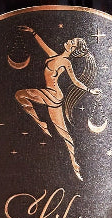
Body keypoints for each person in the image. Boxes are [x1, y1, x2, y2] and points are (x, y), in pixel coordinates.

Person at [14, 25, 92, 180]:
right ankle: (41, 124)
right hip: (50, 94)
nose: (69, 41)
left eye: (72, 42)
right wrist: (34, 32)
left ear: (74, 49)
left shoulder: (66, 62)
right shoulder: (55, 56)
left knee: (63, 133)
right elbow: (43, 45)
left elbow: (75, 81)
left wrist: (90, 91)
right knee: (20, 95)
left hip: (54, 95)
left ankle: (75, 167)